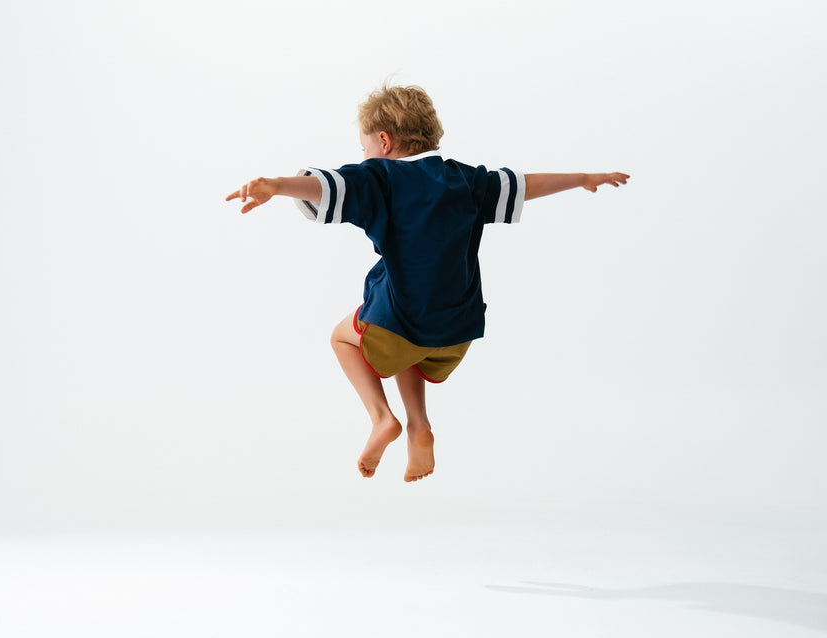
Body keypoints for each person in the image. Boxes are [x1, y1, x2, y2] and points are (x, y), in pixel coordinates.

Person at [225, 84, 628, 483]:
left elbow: (330, 186)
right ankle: (419, 425)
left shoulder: (380, 177)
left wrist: (278, 185)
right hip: (456, 330)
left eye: (365, 148)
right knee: (409, 339)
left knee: (342, 337)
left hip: (401, 323)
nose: (364, 157)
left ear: (384, 141)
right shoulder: (467, 180)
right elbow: (525, 185)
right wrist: (584, 177)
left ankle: (382, 418)